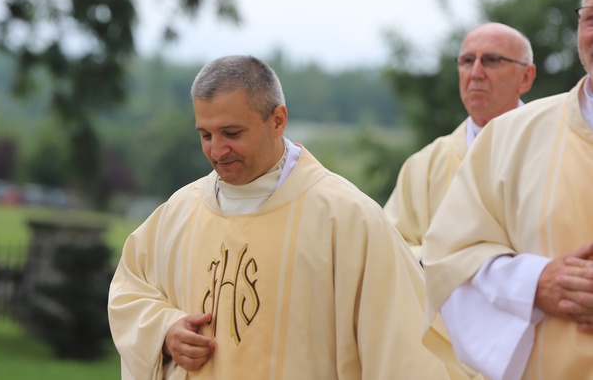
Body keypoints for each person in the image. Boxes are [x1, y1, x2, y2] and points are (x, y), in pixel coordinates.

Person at [108, 55, 468, 379]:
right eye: (205, 135)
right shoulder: (177, 214)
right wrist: (166, 332)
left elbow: (402, 346)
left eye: (232, 133)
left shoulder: (346, 218)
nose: (217, 151)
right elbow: (129, 292)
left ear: (277, 120)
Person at [423, 0, 593, 379]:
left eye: (493, 60)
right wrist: (533, 284)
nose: (476, 72)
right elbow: (447, 259)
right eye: (591, 17)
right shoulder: (510, 135)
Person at [384, 23, 536, 261]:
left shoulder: (554, 149)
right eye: (466, 61)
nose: (475, 73)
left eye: (492, 60)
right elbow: (390, 247)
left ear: (526, 77)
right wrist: (452, 267)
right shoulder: (424, 166)